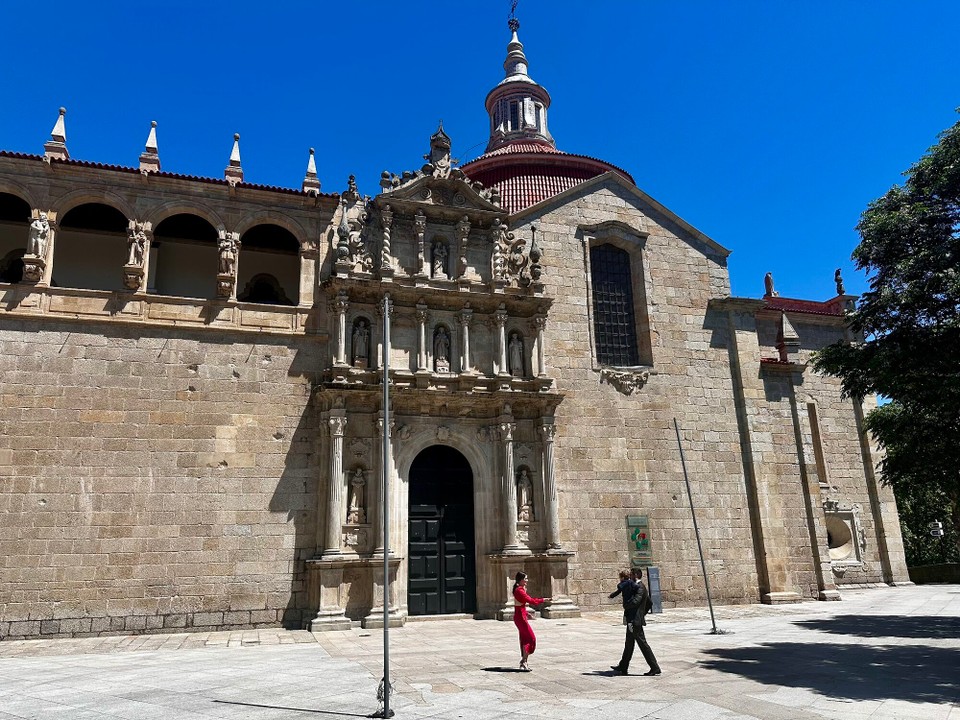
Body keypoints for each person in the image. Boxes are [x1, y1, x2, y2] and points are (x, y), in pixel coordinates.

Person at [611, 568, 661, 676]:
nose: (630, 577)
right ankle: (623, 666)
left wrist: (638, 614)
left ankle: (655, 667)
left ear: (636, 575)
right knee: (629, 643)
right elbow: (649, 602)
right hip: (631, 621)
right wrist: (641, 613)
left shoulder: (640, 587)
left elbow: (636, 602)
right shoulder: (637, 586)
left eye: (632, 575)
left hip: (635, 621)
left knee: (642, 644)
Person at [512, 571, 550, 672]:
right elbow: (531, 601)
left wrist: (526, 614)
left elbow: (520, 605)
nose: (527, 581)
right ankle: (523, 661)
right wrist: (543, 600)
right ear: (520, 580)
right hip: (520, 618)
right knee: (531, 638)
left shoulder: (519, 589)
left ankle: (524, 662)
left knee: (525, 639)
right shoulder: (519, 590)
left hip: (520, 616)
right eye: (525, 579)